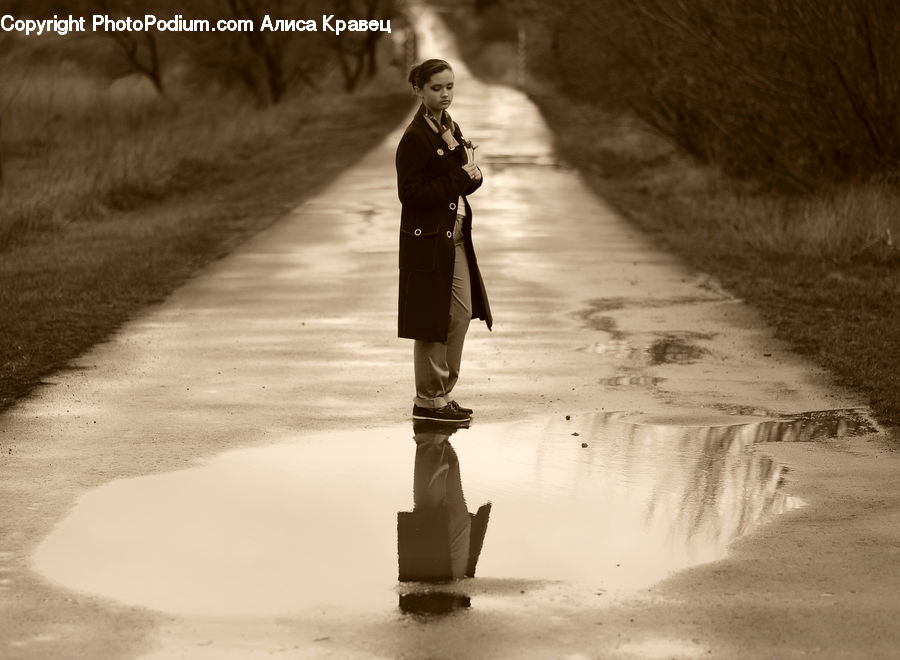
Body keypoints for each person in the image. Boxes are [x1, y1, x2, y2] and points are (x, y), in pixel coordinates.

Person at [395, 59, 492, 424]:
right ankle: (428, 401)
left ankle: (443, 394)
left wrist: (473, 176)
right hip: (429, 243)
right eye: (437, 88)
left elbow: (462, 179)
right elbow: (411, 195)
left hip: (456, 239)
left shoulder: (449, 127)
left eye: (450, 86)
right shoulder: (415, 137)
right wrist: (459, 178)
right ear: (419, 90)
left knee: (461, 315)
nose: (445, 94)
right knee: (433, 321)